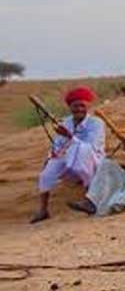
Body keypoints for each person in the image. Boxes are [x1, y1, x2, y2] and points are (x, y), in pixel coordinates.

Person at [31, 86, 105, 223]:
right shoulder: (66, 122)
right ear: (70, 107)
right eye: (75, 106)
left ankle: (91, 200)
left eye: (82, 105)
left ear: (88, 106)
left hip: (93, 158)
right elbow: (58, 144)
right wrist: (51, 156)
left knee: (83, 151)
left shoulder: (96, 123)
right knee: (47, 173)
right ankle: (43, 210)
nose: (79, 109)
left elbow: (91, 146)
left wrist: (69, 136)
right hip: (69, 158)